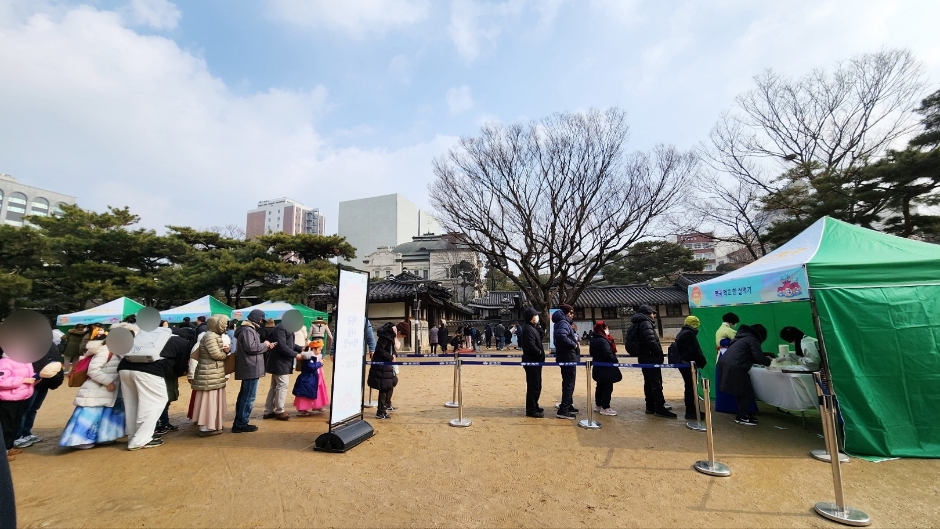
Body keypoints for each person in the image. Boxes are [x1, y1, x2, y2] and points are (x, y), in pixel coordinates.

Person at [118, 324, 190, 450]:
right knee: (155, 402)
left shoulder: (152, 337)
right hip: (150, 371)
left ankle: (133, 436)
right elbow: (180, 366)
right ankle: (140, 440)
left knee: (132, 403)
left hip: (124, 368)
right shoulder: (182, 342)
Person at [59, 334, 126, 449]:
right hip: (98, 389)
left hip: (106, 391)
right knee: (90, 414)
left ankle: (103, 437)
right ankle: (80, 439)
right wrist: (108, 381)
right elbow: (93, 370)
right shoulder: (105, 352)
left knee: (104, 414)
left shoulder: (115, 353)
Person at [716, 323, 773, 426]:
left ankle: (743, 414)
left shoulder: (740, 338)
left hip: (726, 365)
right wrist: (769, 361)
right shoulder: (752, 339)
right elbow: (758, 357)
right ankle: (743, 416)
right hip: (736, 366)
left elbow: (747, 354)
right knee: (746, 391)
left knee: (741, 391)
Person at [13, 342, 63, 449]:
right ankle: (18, 435)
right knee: (25, 409)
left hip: (45, 380)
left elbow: (56, 358)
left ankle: (27, 432)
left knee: (34, 408)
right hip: (31, 380)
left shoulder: (50, 344)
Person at [630, 305, 676, 418]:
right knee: (656, 383)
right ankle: (659, 407)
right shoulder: (646, 323)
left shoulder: (637, 323)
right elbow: (651, 340)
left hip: (643, 357)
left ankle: (650, 406)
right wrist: (659, 352)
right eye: (652, 313)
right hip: (651, 357)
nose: (653, 315)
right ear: (648, 314)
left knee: (648, 382)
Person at [232, 310, 272, 433]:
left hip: (249, 367)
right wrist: (265, 345)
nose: (262, 322)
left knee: (245, 396)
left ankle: (240, 422)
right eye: (261, 320)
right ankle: (241, 423)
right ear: (258, 319)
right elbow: (252, 348)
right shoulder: (248, 330)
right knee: (248, 397)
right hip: (251, 367)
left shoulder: (246, 329)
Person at [190, 315, 230, 437]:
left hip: (212, 373)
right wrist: (226, 353)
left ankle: (212, 425)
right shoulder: (211, 336)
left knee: (211, 400)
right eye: (224, 323)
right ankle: (207, 427)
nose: (226, 326)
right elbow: (216, 355)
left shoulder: (211, 335)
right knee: (209, 401)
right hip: (210, 373)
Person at [0, 353, 37, 461]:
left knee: (15, 425)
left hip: (21, 398)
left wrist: (37, 377)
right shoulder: (4, 363)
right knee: (6, 426)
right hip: (7, 400)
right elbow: (1, 380)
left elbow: (30, 376)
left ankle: (8, 447)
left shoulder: (26, 361)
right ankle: (3, 453)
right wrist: (22, 380)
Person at [263, 319, 302, 421]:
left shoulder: (286, 327)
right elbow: (282, 346)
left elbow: (290, 344)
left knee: (275, 386)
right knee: (283, 385)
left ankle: (268, 410)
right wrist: (295, 355)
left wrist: (301, 348)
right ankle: (279, 410)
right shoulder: (281, 328)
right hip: (279, 362)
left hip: (280, 362)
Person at [674, 316, 707, 420]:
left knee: (690, 387)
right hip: (689, 364)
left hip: (683, 363)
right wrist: (702, 362)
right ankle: (691, 412)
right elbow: (695, 351)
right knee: (691, 388)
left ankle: (694, 410)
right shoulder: (689, 334)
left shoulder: (682, 332)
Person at [589, 321, 623, 416]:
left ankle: (598, 405)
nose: (607, 330)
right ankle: (605, 407)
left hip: (598, 366)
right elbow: (608, 353)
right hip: (606, 367)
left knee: (599, 386)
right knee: (607, 387)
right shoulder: (603, 340)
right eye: (606, 328)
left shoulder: (593, 339)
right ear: (602, 329)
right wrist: (614, 360)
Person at [552, 304, 580, 419]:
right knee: (569, 382)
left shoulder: (563, 322)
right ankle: (564, 410)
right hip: (567, 356)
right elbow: (561, 336)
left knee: (568, 382)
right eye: (571, 312)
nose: (572, 315)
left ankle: (568, 404)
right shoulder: (563, 323)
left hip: (566, 356)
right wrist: (573, 345)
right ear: (566, 313)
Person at [367, 323, 399, 419]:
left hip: (387, 365)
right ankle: (380, 411)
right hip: (382, 366)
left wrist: (394, 355)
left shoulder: (390, 338)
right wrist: (390, 357)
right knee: (384, 387)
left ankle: (387, 405)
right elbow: (379, 350)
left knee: (392, 383)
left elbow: (391, 349)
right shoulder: (384, 338)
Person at [519, 308, 545, 418]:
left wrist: (539, 329)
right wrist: (538, 352)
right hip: (532, 360)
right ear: (531, 317)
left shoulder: (532, 328)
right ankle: (531, 409)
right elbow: (530, 345)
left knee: (537, 384)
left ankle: (535, 404)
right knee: (533, 385)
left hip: (536, 361)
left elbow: (539, 337)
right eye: (535, 315)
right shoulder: (528, 329)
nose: (537, 317)